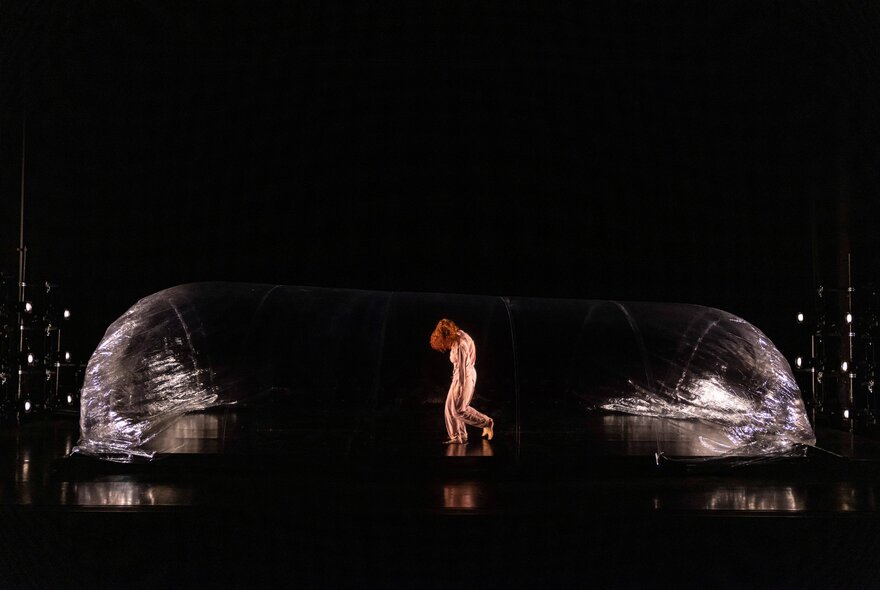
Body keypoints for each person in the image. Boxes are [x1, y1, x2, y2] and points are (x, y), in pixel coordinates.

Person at [430, 319, 494, 445]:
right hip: (459, 376)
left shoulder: (460, 345)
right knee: (449, 407)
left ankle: (486, 422)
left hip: (466, 377)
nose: (444, 346)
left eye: (444, 341)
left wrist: (460, 386)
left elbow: (463, 370)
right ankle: (458, 437)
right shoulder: (458, 334)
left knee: (459, 410)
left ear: (447, 336)